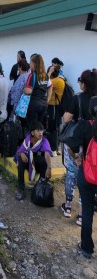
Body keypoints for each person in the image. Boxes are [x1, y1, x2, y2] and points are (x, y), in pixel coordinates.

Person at [62, 69, 97, 227]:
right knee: (87, 178)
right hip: (93, 146)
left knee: (72, 173)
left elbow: (66, 117)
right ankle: (82, 215)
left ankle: (68, 206)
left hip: (78, 142)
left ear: (84, 84)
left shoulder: (78, 98)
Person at [77, 95, 97, 259]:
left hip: (87, 174)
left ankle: (86, 247)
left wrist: (78, 158)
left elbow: (71, 147)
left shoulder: (85, 126)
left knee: (87, 211)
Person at [14, 121, 52, 200]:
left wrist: (49, 168)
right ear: (32, 132)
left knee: (44, 161)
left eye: (41, 130)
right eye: (38, 130)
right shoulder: (27, 140)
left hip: (39, 166)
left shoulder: (44, 141)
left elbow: (47, 154)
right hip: (29, 164)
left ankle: (39, 186)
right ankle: (21, 189)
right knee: (21, 160)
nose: (40, 133)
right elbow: (19, 151)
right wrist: (21, 154)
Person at [25, 54, 52, 130]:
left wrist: (24, 90)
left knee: (32, 128)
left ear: (34, 64)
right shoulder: (45, 75)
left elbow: (28, 91)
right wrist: (47, 100)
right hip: (43, 105)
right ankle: (39, 141)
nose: (30, 65)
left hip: (33, 105)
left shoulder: (32, 75)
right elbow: (50, 87)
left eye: (30, 63)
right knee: (39, 128)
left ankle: (32, 141)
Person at [46, 64, 65, 156]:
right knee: (56, 129)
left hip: (52, 107)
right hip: (57, 107)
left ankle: (53, 149)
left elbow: (45, 82)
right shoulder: (61, 79)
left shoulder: (55, 81)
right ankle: (56, 149)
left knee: (52, 128)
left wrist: (48, 73)